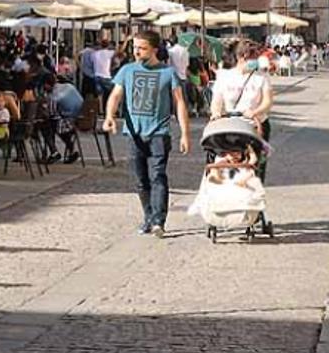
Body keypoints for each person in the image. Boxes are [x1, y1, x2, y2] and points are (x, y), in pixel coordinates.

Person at [103, 30, 191, 238]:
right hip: (134, 134)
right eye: (135, 47)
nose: (136, 52)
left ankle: (159, 221)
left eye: (141, 48)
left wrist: (185, 133)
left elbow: (179, 103)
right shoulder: (127, 70)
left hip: (159, 132)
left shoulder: (168, 73)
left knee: (158, 175)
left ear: (154, 49)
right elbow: (115, 95)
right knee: (140, 180)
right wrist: (109, 116)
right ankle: (148, 217)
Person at [210, 40, 274, 142]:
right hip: (231, 125)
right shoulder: (224, 76)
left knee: (255, 156)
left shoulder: (262, 76)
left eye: (256, 58)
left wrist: (255, 112)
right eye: (253, 58)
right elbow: (216, 101)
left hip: (256, 124)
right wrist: (216, 113)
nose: (256, 61)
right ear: (241, 57)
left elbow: (268, 101)